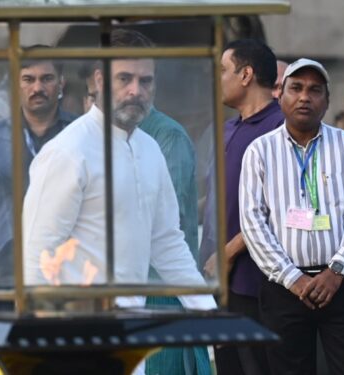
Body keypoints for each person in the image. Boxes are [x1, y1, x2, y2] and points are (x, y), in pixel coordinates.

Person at [22, 28, 217, 375]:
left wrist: (208, 314)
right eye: (124, 78)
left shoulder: (150, 150)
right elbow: (38, 254)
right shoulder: (69, 151)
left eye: (146, 81)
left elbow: (167, 242)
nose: (135, 91)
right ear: (99, 80)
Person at [239, 58, 344, 375]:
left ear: (327, 101)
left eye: (315, 90)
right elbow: (253, 222)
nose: (305, 97)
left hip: (341, 286)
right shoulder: (260, 152)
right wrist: (293, 278)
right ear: (280, 95)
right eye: (296, 88)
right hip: (283, 291)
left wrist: (337, 270)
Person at [195, 39, 284, 375]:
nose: (217, 78)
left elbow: (277, 208)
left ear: (246, 75)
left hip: (257, 283)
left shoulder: (280, 130)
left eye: (223, 70)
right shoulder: (226, 129)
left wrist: (229, 253)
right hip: (218, 281)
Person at [0, 52, 77, 300]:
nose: (37, 87)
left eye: (47, 78)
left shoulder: (80, 134)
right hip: (6, 268)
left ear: (61, 84)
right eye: (28, 79)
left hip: (68, 266)